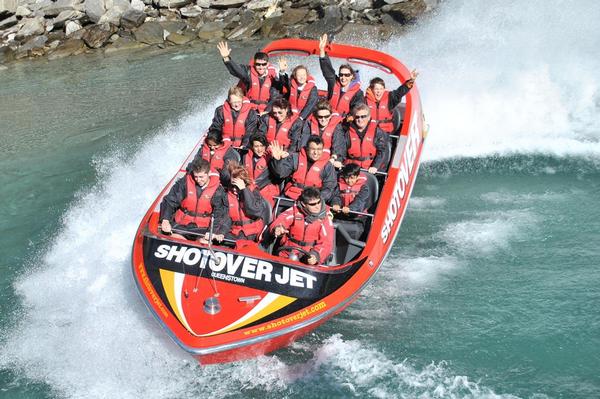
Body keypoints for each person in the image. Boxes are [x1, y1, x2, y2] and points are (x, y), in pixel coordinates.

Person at [160, 159, 230, 243]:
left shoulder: (218, 190)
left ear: (208, 173)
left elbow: (219, 213)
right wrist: (165, 219)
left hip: (203, 229)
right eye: (196, 176)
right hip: (181, 224)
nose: (198, 180)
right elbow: (170, 200)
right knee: (175, 238)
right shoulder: (184, 183)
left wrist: (213, 231)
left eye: (201, 177)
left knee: (203, 242)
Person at [269, 187, 334, 265]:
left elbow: (327, 243)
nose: (317, 206)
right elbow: (281, 220)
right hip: (287, 253)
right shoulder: (294, 211)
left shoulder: (325, 218)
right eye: (312, 204)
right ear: (304, 204)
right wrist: (278, 228)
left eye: (319, 202)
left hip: (309, 256)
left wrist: (316, 255)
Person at [217, 41, 285, 114]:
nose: (261, 67)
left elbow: (278, 93)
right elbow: (236, 70)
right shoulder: (248, 72)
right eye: (258, 64)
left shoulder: (272, 77)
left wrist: (282, 72)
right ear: (254, 64)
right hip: (249, 109)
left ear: (267, 64)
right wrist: (226, 58)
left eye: (263, 64)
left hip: (266, 110)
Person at [270, 135, 337, 203]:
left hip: (313, 200)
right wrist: (276, 160)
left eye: (319, 149)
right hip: (292, 195)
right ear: (307, 149)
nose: (316, 153)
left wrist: (317, 200)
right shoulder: (295, 158)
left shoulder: (328, 166)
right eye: (313, 149)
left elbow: (329, 188)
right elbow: (280, 173)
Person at [333, 103, 390, 174]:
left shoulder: (377, 132)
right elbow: (341, 149)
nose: (360, 119)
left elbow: (382, 151)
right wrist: (339, 160)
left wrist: (375, 166)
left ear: (369, 117)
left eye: (363, 116)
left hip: (370, 170)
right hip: (351, 170)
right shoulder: (347, 131)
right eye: (357, 117)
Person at [318, 33, 364, 117]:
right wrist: (321, 50)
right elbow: (327, 70)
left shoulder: (358, 93)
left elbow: (357, 109)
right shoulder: (334, 83)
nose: (343, 78)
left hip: (343, 123)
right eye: (341, 75)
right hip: (328, 119)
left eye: (347, 75)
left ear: (352, 76)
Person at [224, 162, 270, 244]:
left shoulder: (254, 192)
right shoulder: (227, 194)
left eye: (237, 187)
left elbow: (254, 211)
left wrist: (244, 190)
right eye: (232, 185)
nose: (234, 189)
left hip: (251, 232)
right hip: (234, 231)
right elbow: (224, 217)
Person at [365, 70, 419, 134]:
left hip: (384, 133)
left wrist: (411, 80)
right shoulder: (364, 101)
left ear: (384, 89)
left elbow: (400, 92)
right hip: (368, 133)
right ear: (371, 90)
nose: (379, 91)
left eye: (381, 89)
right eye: (376, 89)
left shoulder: (390, 97)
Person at [242, 134, 281, 207]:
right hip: (249, 188)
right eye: (256, 146)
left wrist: (277, 160)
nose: (259, 149)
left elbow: (279, 173)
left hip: (266, 190)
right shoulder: (245, 157)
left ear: (265, 146)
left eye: (262, 146)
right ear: (252, 147)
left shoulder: (272, 158)